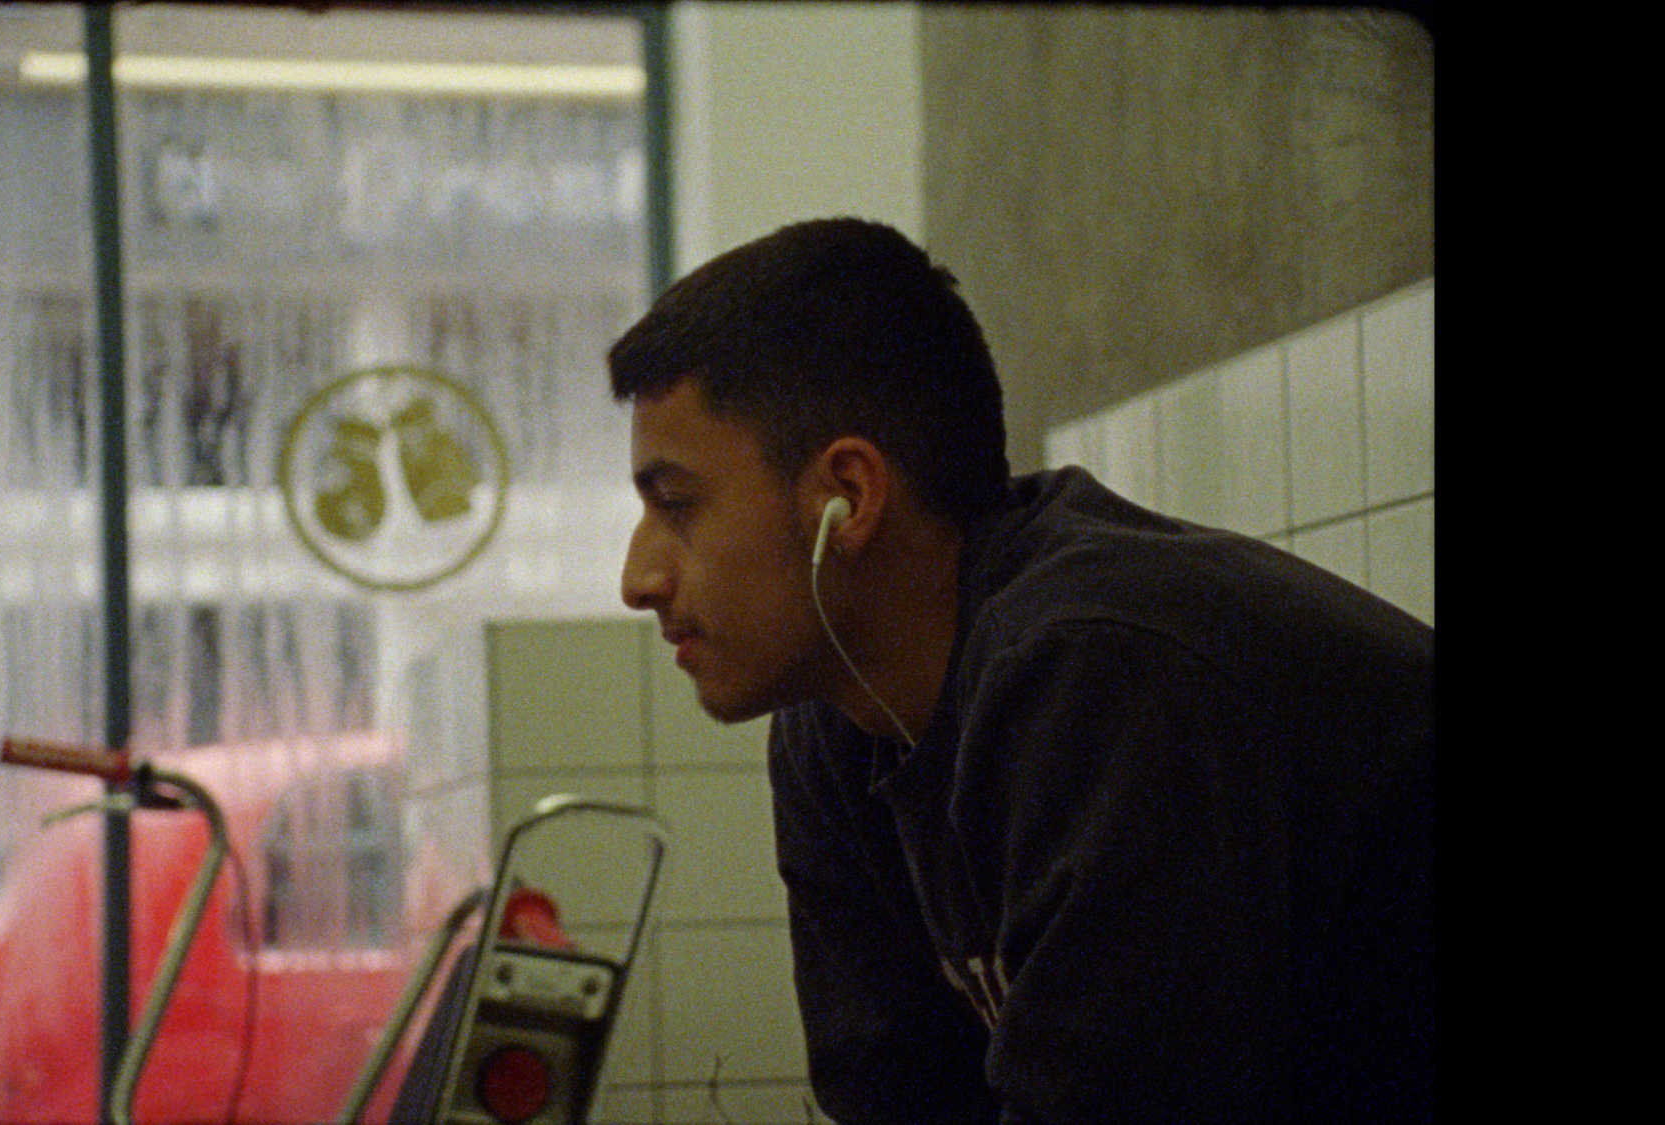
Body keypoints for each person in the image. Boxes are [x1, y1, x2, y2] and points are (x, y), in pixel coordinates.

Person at [608, 218, 1433, 1124]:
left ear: (847, 495)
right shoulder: (838, 720)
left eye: (677, 504)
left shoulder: (1100, 670)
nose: (638, 579)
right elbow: (896, 1098)